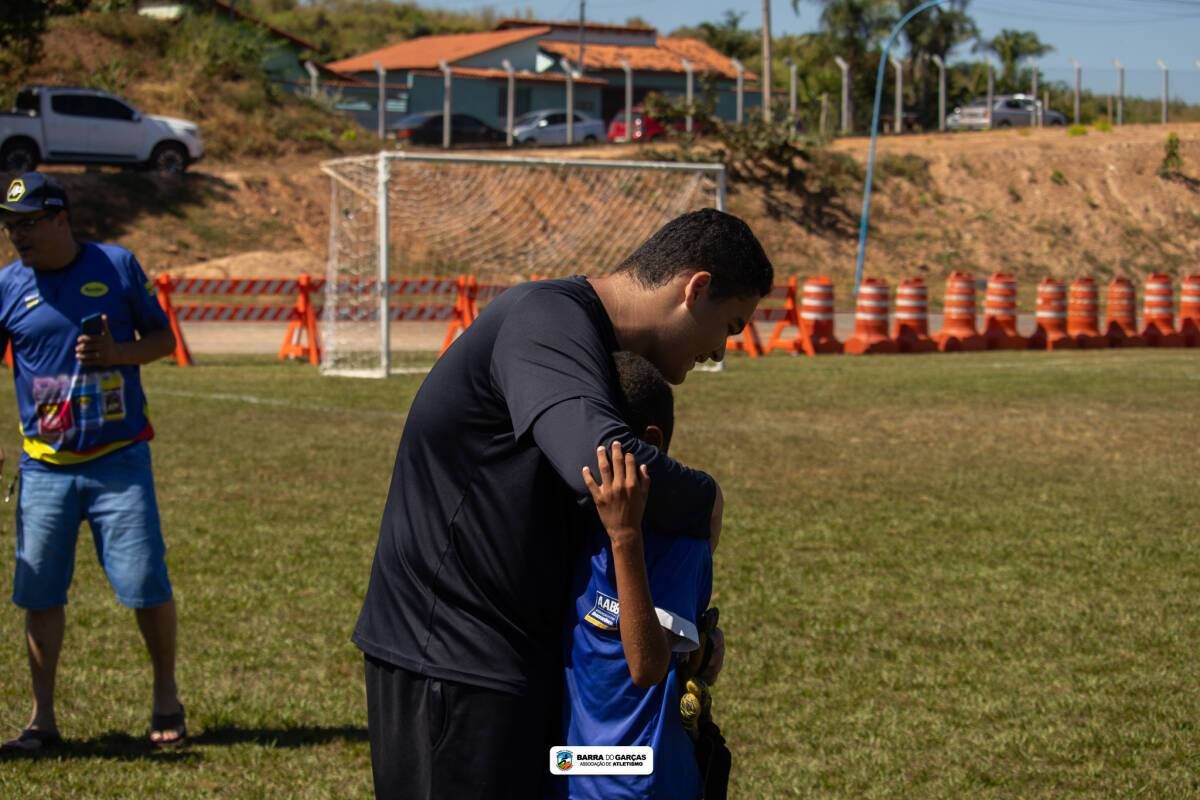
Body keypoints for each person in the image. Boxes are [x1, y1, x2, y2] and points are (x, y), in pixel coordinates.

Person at [355, 208, 773, 799]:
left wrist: (689, 636)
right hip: (450, 658)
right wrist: (705, 497)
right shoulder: (544, 318)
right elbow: (600, 462)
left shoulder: (592, 348)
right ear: (695, 288)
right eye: (729, 326)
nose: (719, 351)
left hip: (513, 652)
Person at [0, 172, 184, 753]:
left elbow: (164, 341)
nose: (18, 237)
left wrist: (118, 354)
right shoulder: (7, 285)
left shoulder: (116, 265)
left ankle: (165, 698)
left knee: (145, 585)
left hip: (118, 463)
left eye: (28, 224)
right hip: (44, 468)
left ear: (61, 218)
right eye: (10, 228)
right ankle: (42, 722)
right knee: (39, 593)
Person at [558, 352, 726, 800]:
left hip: (641, 780)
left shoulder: (677, 548)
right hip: (572, 773)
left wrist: (625, 536)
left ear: (646, 444)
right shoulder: (577, 526)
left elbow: (648, 667)